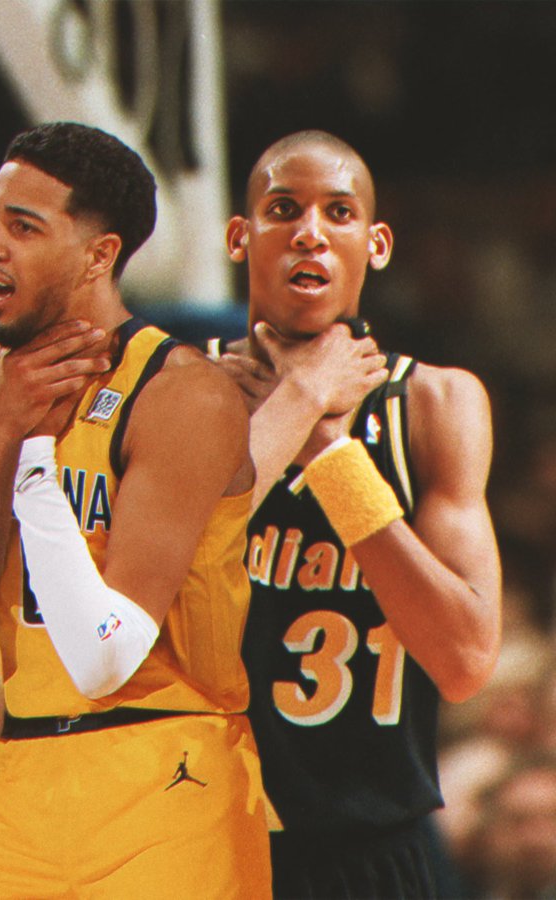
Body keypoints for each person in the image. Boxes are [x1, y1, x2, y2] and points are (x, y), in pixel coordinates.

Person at [0, 122, 271, 898]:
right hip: (24, 766)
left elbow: (107, 659)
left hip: (168, 767)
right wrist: (2, 429)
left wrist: (32, 455)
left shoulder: (182, 394)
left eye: (23, 227)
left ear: (100, 256)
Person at [207, 130, 502, 898]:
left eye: (338, 212)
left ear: (377, 244)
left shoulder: (434, 403)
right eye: (283, 209)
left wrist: (324, 447)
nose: (310, 232)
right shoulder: (184, 393)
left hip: (373, 846)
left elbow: (465, 659)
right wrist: (299, 401)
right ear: (239, 237)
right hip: (204, 840)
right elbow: (150, 587)